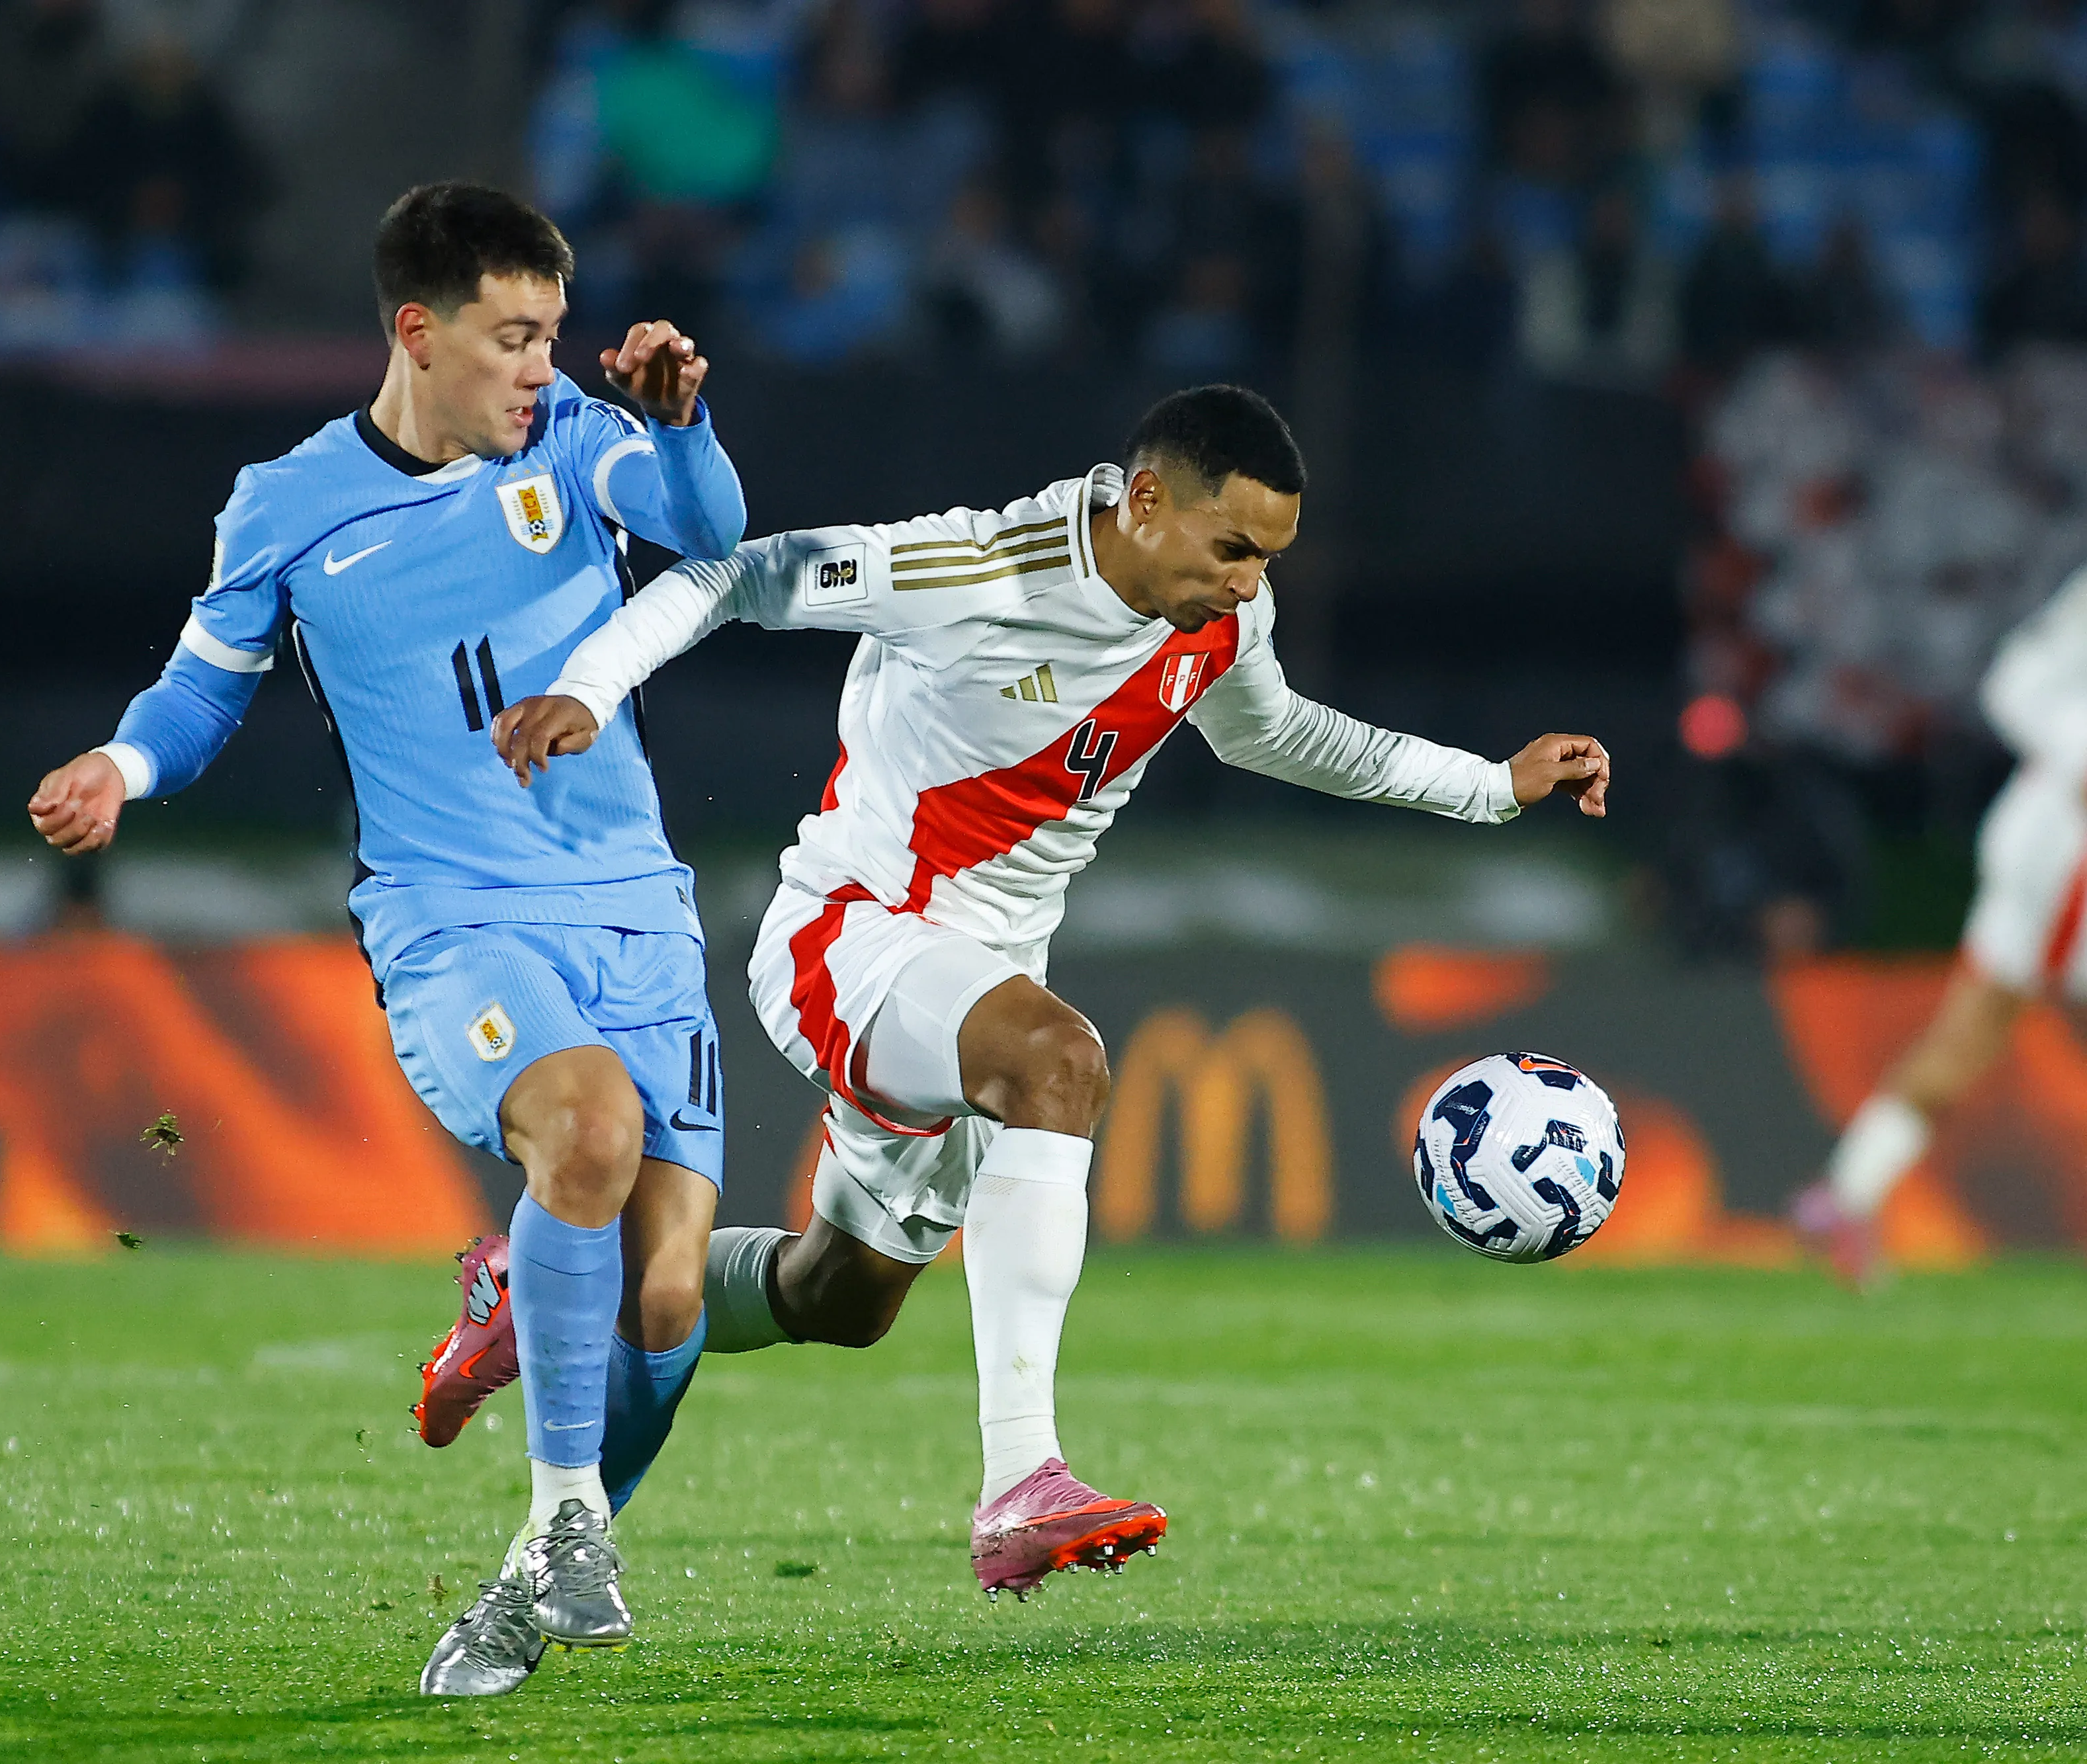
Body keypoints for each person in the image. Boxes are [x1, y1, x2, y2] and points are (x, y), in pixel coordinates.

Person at [486, 384, 1613, 1598]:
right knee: (1059, 1062)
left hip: (978, 980)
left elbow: (1275, 732)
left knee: (841, 1297)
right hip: (854, 934)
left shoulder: (1220, 618)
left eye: (1269, 558)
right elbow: (733, 577)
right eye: (1231, 547)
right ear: (1143, 501)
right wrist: (591, 689)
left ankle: (550, 1278)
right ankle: (1023, 1477)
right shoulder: (976, 567)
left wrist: (1489, 786)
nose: (1248, 582)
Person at [22, 183, 745, 1698]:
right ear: (418, 332)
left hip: (636, 909)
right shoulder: (285, 504)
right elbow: (201, 691)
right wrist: (122, 767)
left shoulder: (573, 442)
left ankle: (517, 1483)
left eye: (552, 335)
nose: (541, 367)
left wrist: (677, 424)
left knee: (667, 1305)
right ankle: (561, 1524)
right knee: (589, 1137)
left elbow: (707, 531)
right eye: (512, 338)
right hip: (453, 921)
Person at [1793, 567, 2087, 1287]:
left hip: (2044, 835)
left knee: (1970, 1033)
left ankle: (1848, 1192)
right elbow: (2013, 683)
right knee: (1978, 1026)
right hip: (2064, 843)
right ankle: (1847, 1197)